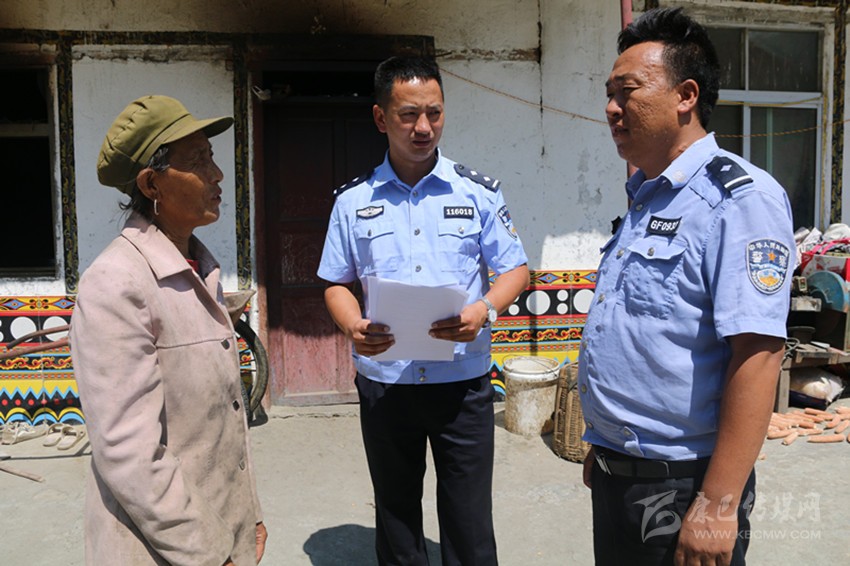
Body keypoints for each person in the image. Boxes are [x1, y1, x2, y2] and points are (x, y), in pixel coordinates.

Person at [579, 8, 795, 566]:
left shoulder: (738, 199)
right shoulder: (647, 196)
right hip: (618, 471)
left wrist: (719, 502)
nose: (612, 108)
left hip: (683, 484)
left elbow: (759, 353)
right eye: (609, 94)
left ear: (686, 96)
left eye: (628, 91)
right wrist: (607, 441)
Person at [318, 56, 529, 565]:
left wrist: (484, 310)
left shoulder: (477, 192)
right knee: (396, 516)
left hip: (462, 382)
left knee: (469, 519)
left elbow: (516, 270)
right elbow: (335, 283)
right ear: (381, 117)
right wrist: (352, 325)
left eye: (434, 113)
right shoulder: (353, 201)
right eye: (409, 114)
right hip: (386, 383)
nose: (423, 127)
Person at [70, 95, 267, 565]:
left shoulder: (199, 268)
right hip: (164, 548)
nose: (217, 175)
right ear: (151, 184)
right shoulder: (117, 283)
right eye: (197, 161)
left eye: (211, 157)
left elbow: (217, 424)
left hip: (219, 530)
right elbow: (130, 452)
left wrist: (249, 515)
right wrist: (211, 553)